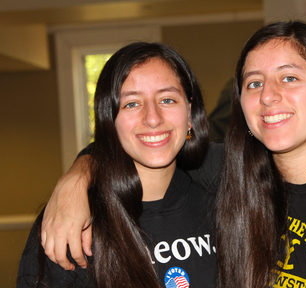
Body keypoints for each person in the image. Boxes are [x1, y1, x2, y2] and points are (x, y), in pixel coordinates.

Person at [39, 22, 306, 287]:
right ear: (242, 107)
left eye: (288, 77)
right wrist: (79, 176)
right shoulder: (231, 178)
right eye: (253, 83)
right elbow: (148, 141)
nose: (269, 96)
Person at [17, 42, 216, 288]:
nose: (152, 118)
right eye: (131, 103)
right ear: (109, 120)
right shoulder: (71, 222)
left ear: (189, 112)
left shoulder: (223, 204)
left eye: (167, 99)